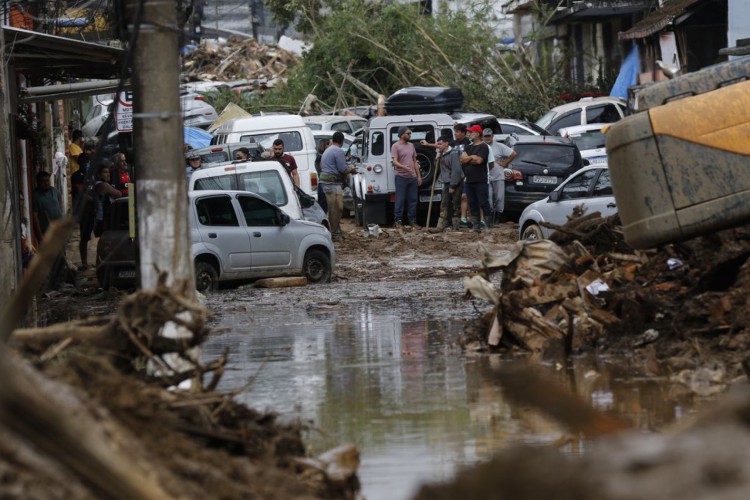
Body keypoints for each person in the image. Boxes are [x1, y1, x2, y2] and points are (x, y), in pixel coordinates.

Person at [319, 131, 356, 240]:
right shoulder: (338, 151)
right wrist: (352, 169)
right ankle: (333, 234)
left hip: (326, 182)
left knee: (332, 209)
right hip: (332, 183)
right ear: (342, 141)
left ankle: (336, 230)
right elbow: (343, 169)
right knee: (337, 208)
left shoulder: (328, 150)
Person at [461, 125, 493, 233]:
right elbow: (462, 160)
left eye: (472, 132)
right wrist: (472, 157)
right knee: (472, 202)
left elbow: (479, 161)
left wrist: (468, 158)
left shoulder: (484, 147)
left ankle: (487, 224)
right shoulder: (468, 147)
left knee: (483, 202)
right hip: (469, 180)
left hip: (481, 180)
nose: (469, 134)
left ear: (477, 134)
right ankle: (476, 226)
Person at [431, 135, 464, 231]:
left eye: (440, 144)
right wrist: (436, 158)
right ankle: (441, 226)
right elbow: (437, 167)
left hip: (456, 182)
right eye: (438, 144)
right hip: (446, 182)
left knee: (455, 204)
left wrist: (453, 185)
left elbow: (456, 170)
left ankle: (456, 227)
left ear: (446, 143)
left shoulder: (453, 153)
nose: (439, 146)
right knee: (444, 204)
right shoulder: (441, 153)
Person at [483, 128, 516, 223]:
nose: (487, 138)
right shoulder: (481, 147)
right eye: (486, 136)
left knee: (499, 197)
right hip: (486, 176)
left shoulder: (499, 146)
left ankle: (498, 217)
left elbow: (513, 153)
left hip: (498, 175)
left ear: (492, 136)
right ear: (483, 137)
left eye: (489, 136)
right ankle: (489, 218)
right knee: (488, 197)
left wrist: (505, 163)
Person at [391, 127, 422, 227]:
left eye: (410, 133)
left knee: (413, 200)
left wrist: (419, 176)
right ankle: (398, 221)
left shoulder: (411, 145)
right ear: (402, 135)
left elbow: (414, 161)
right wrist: (404, 167)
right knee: (400, 200)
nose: (410, 135)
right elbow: (394, 161)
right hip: (401, 177)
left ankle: (412, 221)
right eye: (408, 133)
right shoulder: (395, 146)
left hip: (412, 177)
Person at [70, 153, 96, 269]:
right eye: (84, 162)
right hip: (84, 210)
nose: (86, 164)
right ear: (80, 163)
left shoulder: (92, 175)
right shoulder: (76, 176)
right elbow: (80, 192)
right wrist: (92, 199)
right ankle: (84, 262)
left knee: (96, 235)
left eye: (88, 161)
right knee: (84, 237)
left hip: (93, 209)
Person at [31, 170, 63, 244]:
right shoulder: (35, 196)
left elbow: (59, 200)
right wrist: (40, 236)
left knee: (61, 253)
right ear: (38, 182)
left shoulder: (54, 190)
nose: (46, 183)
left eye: (47, 180)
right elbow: (35, 217)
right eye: (43, 181)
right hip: (47, 233)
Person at [93, 165, 123, 238]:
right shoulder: (102, 185)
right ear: (99, 174)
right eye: (105, 172)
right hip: (101, 218)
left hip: (101, 217)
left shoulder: (100, 184)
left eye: (108, 172)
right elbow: (119, 194)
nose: (108, 174)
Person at [452, 123, 473, 229]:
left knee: (466, 196)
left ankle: (470, 219)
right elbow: (443, 145)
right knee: (458, 198)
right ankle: (461, 219)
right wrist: (429, 145)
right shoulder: (454, 143)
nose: (455, 134)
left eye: (457, 132)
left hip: (466, 174)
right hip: (456, 174)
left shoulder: (468, 143)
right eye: (454, 131)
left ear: (463, 133)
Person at [315, 138, 331, 215]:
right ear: (325, 145)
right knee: (324, 204)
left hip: (322, 182)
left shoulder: (319, 156)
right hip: (325, 182)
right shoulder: (322, 157)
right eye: (329, 144)